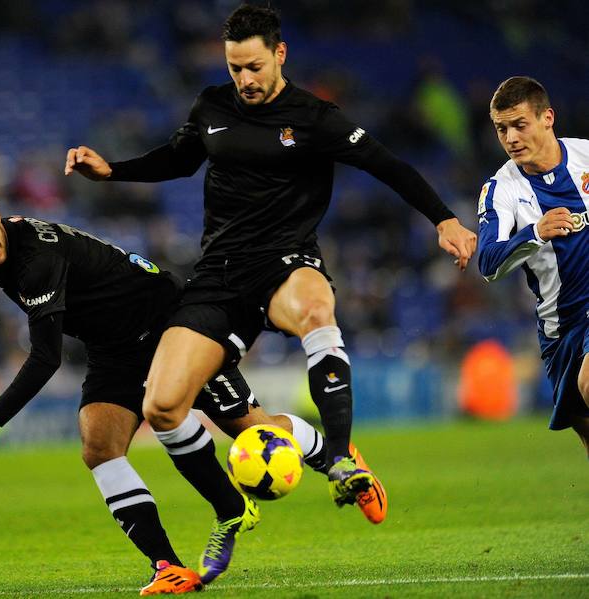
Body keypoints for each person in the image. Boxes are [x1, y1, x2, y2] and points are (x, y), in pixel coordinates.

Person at [65, 2, 471, 543]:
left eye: (254, 66)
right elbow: (177, 160)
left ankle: (346, 459)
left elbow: (388, 165)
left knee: (316, 307)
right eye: (235, 68)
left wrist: (443, 219)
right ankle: (294, 467)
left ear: (280, 55)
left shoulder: (315, 117)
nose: (245, 79)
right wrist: (112, 170)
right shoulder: (212, 106)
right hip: (218, 275)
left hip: (284, 261)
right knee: (161, 407)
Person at [0, 185, 384, 593]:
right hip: (114, 348)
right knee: (99, 446)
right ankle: (166, 565)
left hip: (169, 324)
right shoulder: (8, 251)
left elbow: (46, 358)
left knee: (253, 430)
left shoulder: (34, 261)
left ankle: (339, 461)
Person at [477, 76, 589, 456]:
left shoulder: (586, 157)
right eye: (501, 129)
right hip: (560, 328)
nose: (510, 138)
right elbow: (488, 263)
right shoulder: (502, 189)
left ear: (547, 118)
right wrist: (535, 233)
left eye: (519, 125)